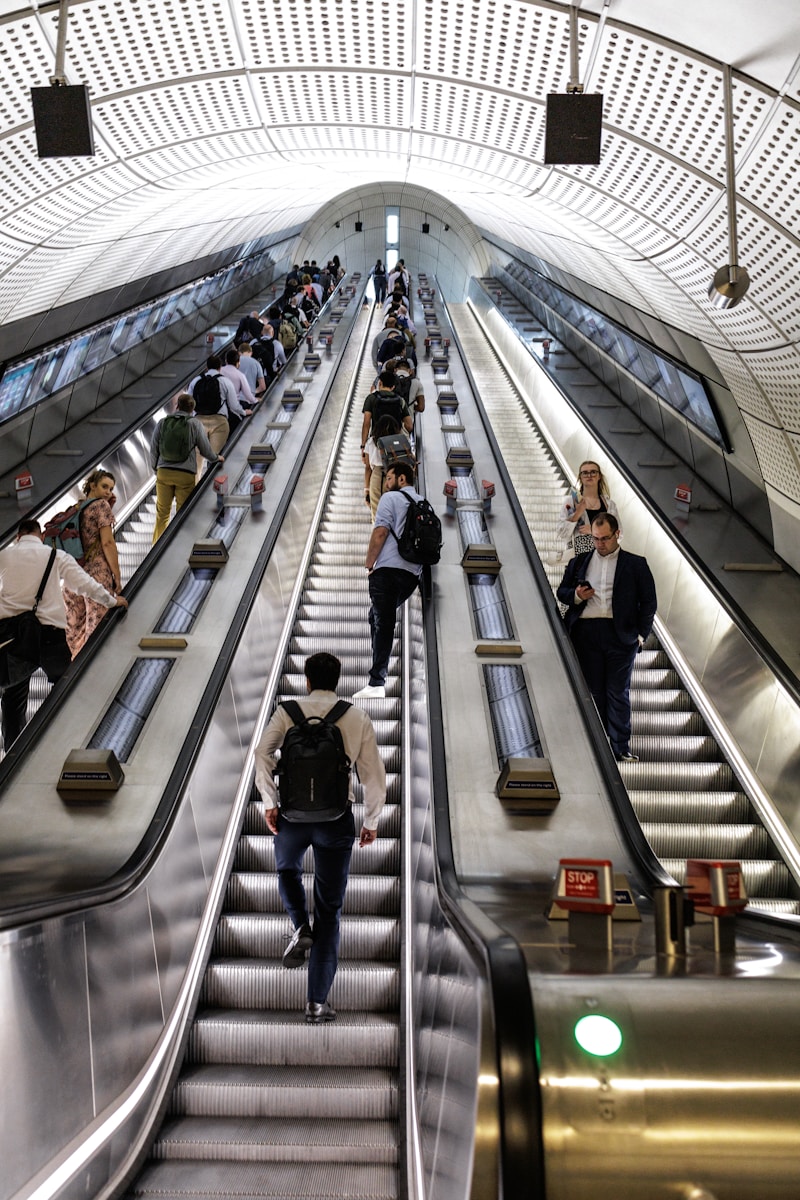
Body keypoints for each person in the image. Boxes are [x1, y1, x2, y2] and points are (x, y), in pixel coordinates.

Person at [254, 652, 386, 1024]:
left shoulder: (286, 712)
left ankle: (298, 925)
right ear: (338, 680)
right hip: (336, 819)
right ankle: (316, 1004)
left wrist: (269, 801)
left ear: (307, 680)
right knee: (329, 911)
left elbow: (261, 755)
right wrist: (371, 820)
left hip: (292, 817)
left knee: (286, 871)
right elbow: (373, 775)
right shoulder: (356, 717)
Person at [0, 518, 128, 751]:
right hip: (50, 636)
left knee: (13, 698)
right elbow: (84, 585)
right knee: (66, 688)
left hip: (15, 637)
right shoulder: (55, 556)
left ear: (17, 537)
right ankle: (68, 742)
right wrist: (111, 600)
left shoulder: (4, 556)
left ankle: (12, 752)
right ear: (40, 537)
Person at [557, 513, 657, 762]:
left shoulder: (635, 564)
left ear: (617, 534)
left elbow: (649, 602)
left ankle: (620, 747)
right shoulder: (580, 561)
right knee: (594, 691)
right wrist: (578, 595)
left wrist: (641, 635)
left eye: (605, 538)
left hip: (621, 636)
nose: (600, 543)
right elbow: (562, 592)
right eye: (596, 538)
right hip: (586, 632)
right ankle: (597, 745)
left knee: (617, 690)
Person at [355, 460, 422, 699]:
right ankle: (377, 678)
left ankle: (376, 683)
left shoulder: (390, 499)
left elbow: (381, 531)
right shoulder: (423, 502)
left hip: (388, 570)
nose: (385, 484)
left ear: (402, 479)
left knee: (383, 622)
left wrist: (369, 564)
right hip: (411, 575)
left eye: (389, 478)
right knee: (375, 616)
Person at [63, 469, 122, 658]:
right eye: (104, 486)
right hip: (97, 575)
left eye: (111, 489)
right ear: (92, 485)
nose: (108, 492)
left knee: (75, 629)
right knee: (96, 628)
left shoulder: (75, 508)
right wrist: (117, 576)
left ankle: (76, 666)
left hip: (73, 576)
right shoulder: (101, 507)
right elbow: (107, 542)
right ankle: (93, 673)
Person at [151, 393, 222, 542]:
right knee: (182, 513)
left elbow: (154, 449)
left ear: (177, 406)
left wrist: (156, 469)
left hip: (164, 472)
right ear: (192, 409)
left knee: (162, 514)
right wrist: (216, 458)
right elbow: (205, 449)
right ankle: (180, 545)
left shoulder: (163, 422)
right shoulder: (194, 424)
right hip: (185, 473)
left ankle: (156, 548)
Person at [557, 460, 619, 557]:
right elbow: (562, 533)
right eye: (585, 473)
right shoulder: (570, 502)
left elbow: (619, 533)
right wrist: (577, 513)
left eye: (593, 472)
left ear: (599, 476)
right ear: (580, 477)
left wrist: (594, 530)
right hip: (579, 558)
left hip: (605, 556)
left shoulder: (609, 504)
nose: (589, 475)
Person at [364, 414, 403, 519]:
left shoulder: (371, 441)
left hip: (376, 475)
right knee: (392, 509)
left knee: (376, 511)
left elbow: (368, 468)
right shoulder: (398, 441)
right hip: (394, 474)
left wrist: (366, 489)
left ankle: (378, 532)